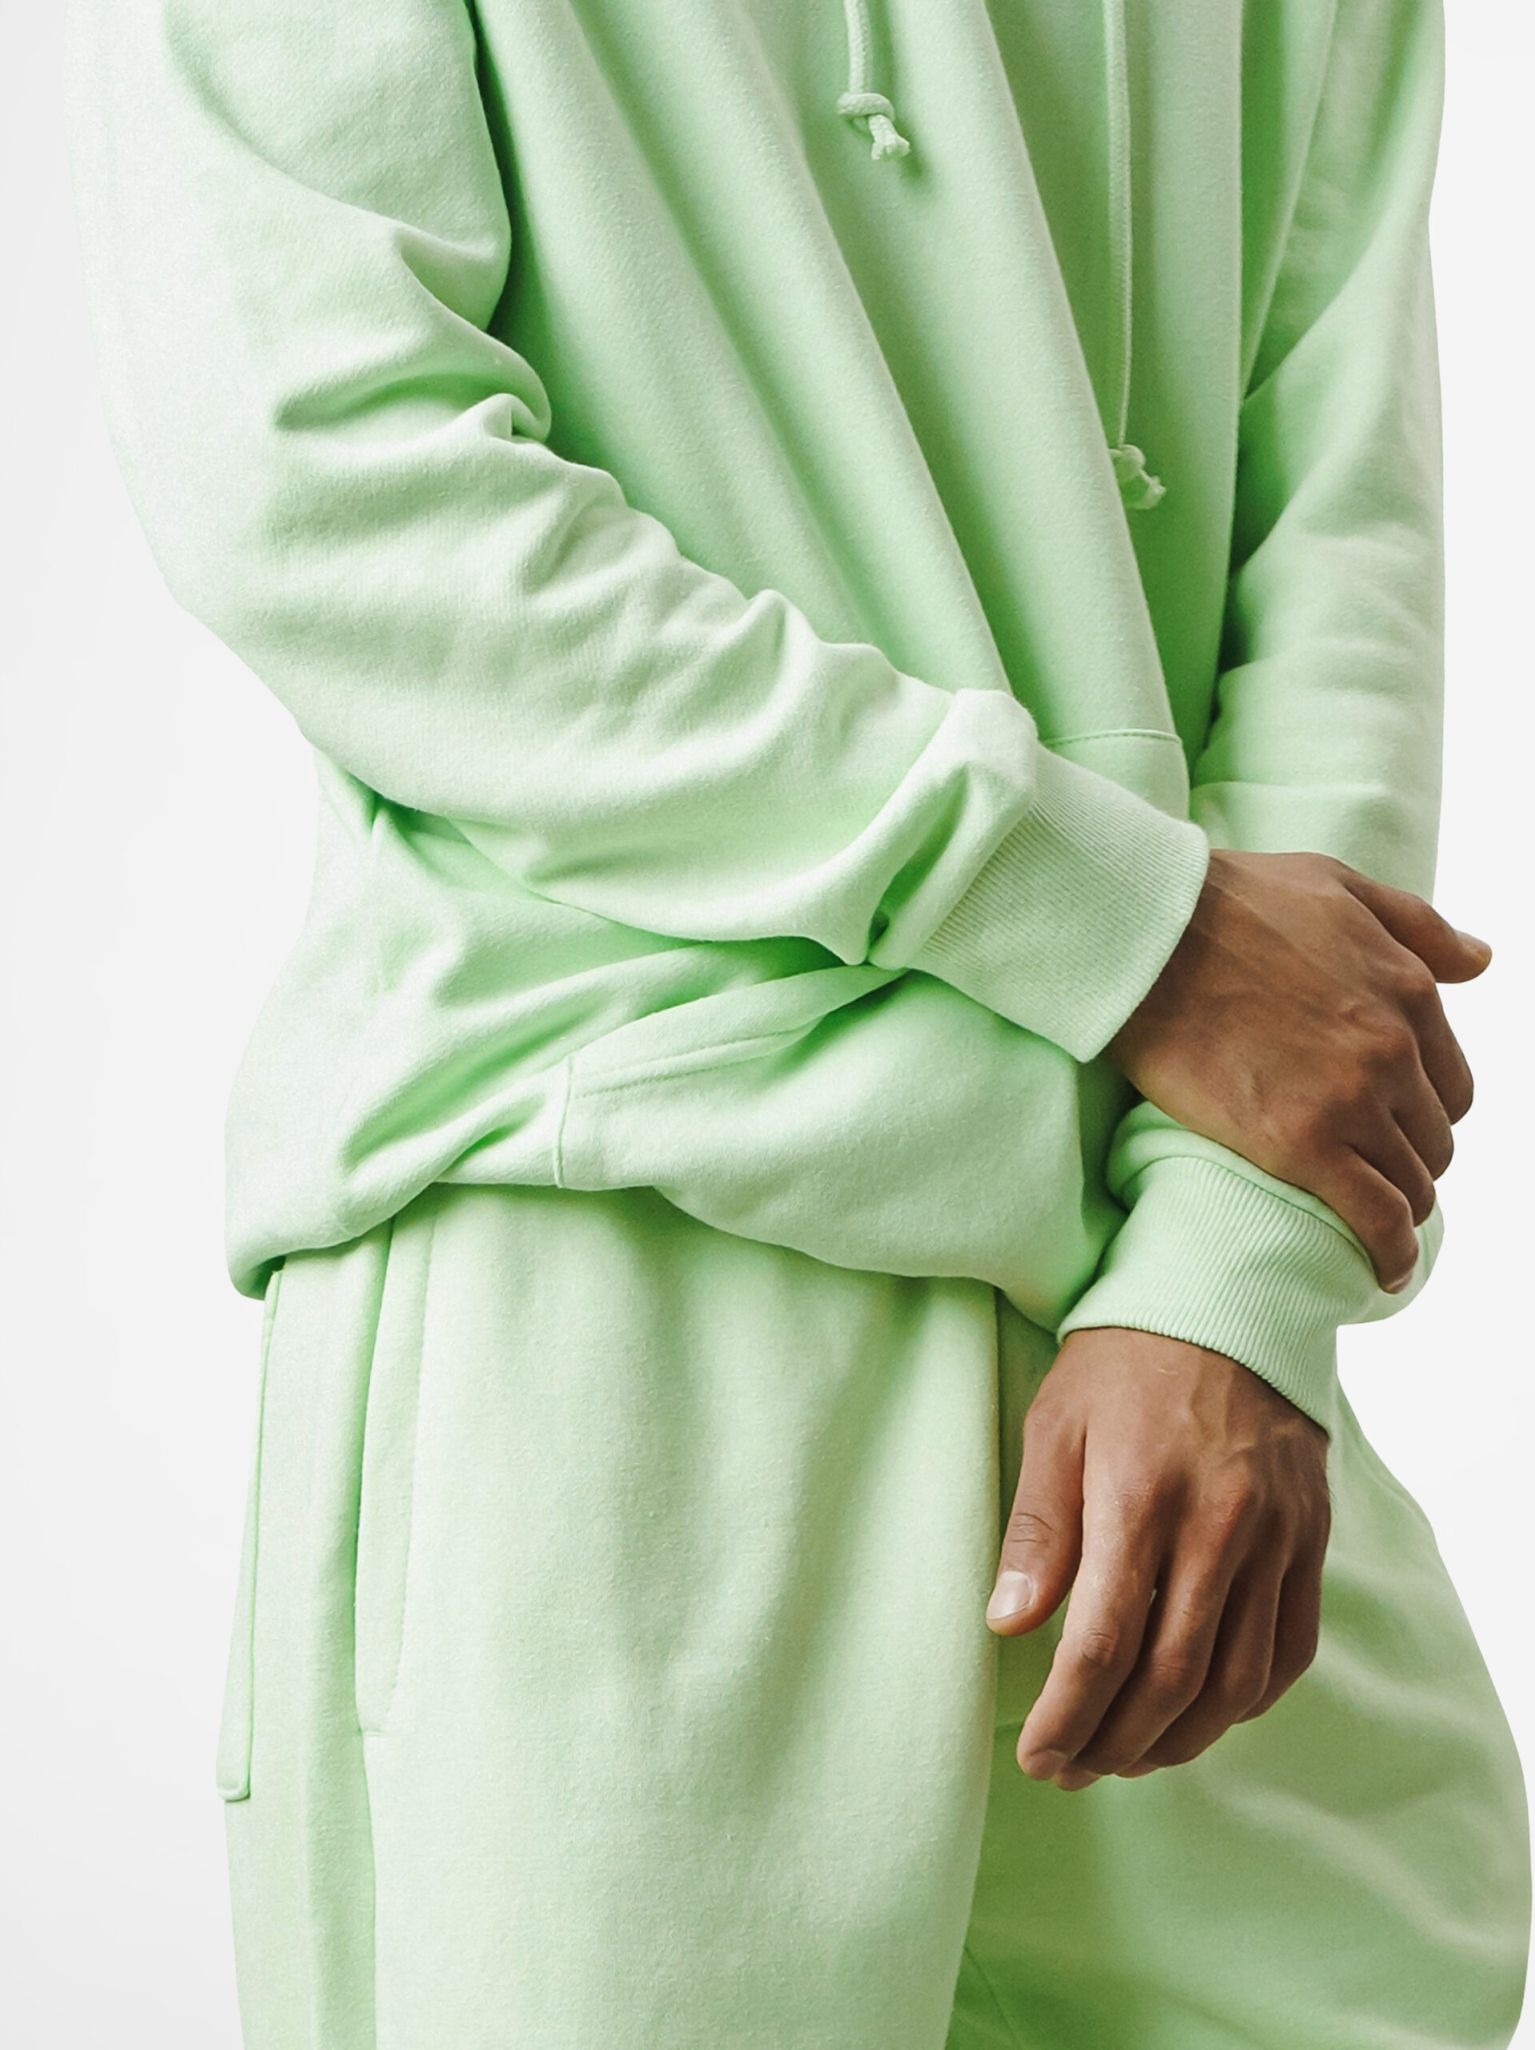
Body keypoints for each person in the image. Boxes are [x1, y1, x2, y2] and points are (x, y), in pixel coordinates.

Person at [64, 0, 1531, 2043]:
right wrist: (1121, 925)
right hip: (622, 1270)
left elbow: (1335, 533)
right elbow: (323, 478)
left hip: (1157, 1308)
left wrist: (1232, 1270)